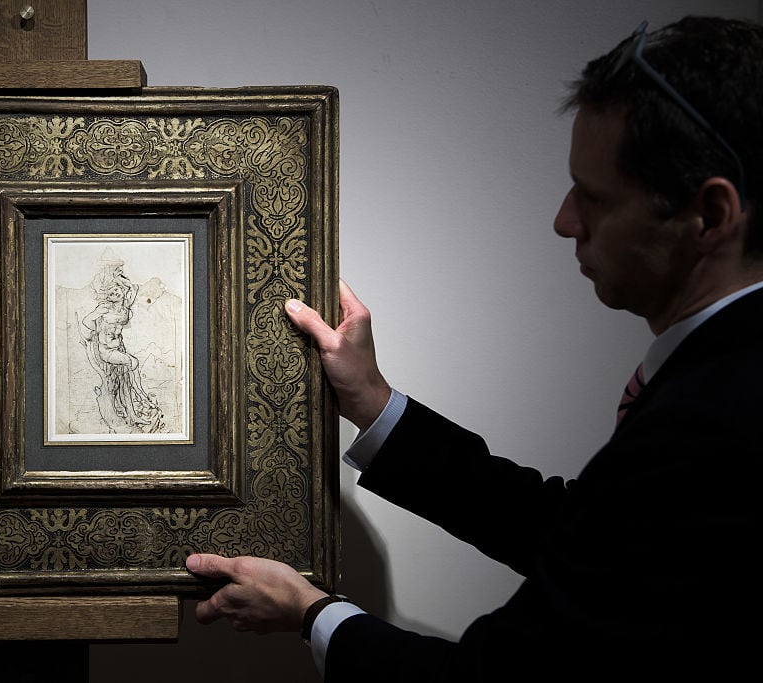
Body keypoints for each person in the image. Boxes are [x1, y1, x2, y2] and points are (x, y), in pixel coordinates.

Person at [185, 16, 763, 681]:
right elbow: (581, 533)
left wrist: (312, 611)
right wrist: (375, 404)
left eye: (594, 197)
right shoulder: (719, 384)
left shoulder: (713, 424)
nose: (564, 220)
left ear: (710, 215)